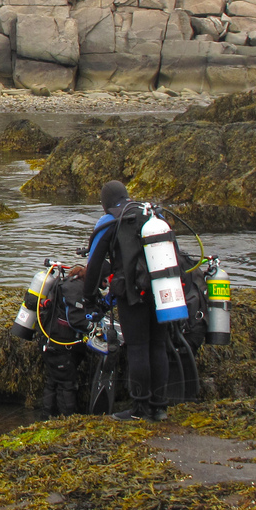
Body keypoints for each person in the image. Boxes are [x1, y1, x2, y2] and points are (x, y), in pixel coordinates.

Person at [82, 179, 171, 422]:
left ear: (105, 202)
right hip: (163, 289)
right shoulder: (152, 213)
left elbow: (94, 265)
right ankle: (159, 408)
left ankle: (140, 409)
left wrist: (89, 300)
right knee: (158, 345)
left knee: (138, 347)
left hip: (133, 293)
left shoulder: (110, 220)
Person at [36, 265, 90, 418]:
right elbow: (76, 320)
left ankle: (47, 417)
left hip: (48, 340)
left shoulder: (63, 286)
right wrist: (91, 326)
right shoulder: (75, 290)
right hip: (60, 345)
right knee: (66, 383)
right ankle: (67, 419)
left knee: (53, 380)